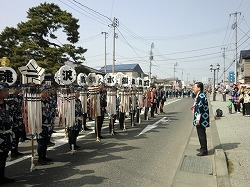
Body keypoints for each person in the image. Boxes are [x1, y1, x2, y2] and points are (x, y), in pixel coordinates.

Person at [0, 83, 16, 184]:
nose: (7, 92)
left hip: (6, 135)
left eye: (7, 90)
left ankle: (2, 176)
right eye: (4, 90)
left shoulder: (7, 105)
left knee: (3, 157)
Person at [192, 82, 210, 156]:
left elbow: (200, 107)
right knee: (200, 133)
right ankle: (202, 147)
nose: (193, 88)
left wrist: (198, 118)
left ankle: (204, 150)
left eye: (195, 87)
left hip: (202, 118)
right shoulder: (199, 95)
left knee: (201, 134)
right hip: (201, 117)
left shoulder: (201, 95)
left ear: (199, 88)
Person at [37, 86, 53, 165]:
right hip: (40, 125)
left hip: (48, 125)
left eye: (47, 92)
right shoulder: (37, 102)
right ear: (41, 93)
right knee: (41, 143)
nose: (47, 94)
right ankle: (40, 158)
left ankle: (44, 156)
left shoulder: (47, 101)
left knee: (46, 142)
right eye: (45, 92)